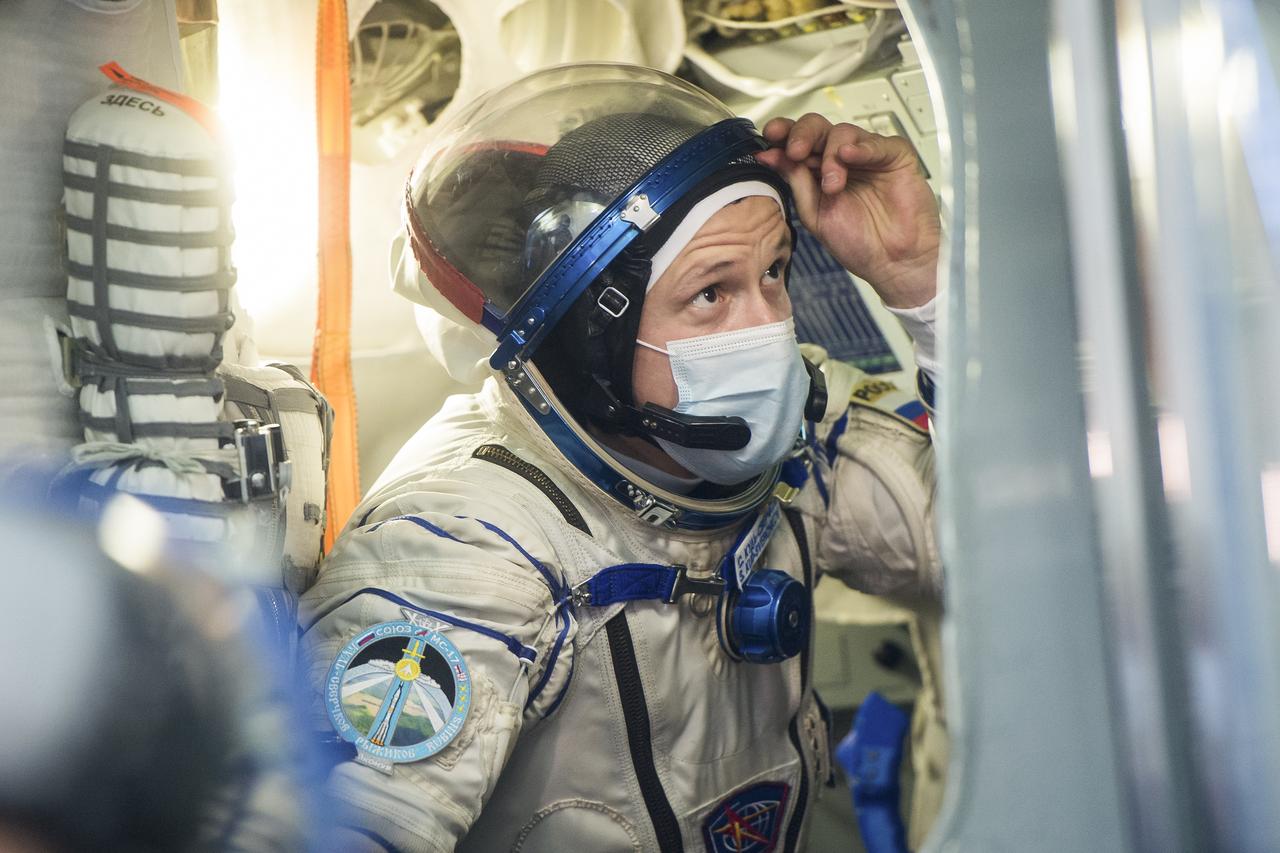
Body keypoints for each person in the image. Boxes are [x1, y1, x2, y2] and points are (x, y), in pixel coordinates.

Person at [300, 63, 941, 852]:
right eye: (711, 293)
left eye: (773, 273)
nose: (769, 331)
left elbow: (1010, 555)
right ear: (590, 339)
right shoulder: (464, 548)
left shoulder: (800, 430)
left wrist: (924, 288)